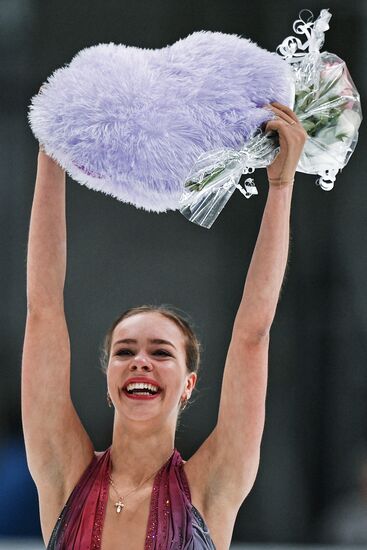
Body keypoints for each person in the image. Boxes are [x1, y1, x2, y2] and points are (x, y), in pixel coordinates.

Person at [22, 102, 307, 549]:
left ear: (189, 384)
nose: (140, 362)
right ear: (108, 379)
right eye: (125, 351)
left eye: (160, 352)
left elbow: (252, 334)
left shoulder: (211, 488)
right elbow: (43, 310)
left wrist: (282, 184)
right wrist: (49, 154)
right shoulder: (64, 475)